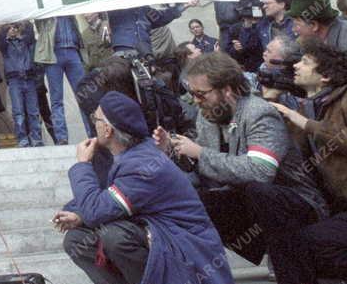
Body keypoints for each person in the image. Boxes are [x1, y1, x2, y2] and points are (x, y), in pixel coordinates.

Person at [156, 52, 326, 284]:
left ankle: (294, 275)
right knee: (196, 202)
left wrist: (199, 153)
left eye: (201, 94)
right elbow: (205, 167)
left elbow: (260, 171)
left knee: (259, 191)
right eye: (191, 93)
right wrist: (175, 152)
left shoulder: (259, 113)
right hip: (251, 201)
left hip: (296, 202)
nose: (195, 100)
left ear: (227, 90)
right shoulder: (208, 116)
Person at [56, 92, 231, 284]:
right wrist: (79, 215)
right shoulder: (131, 155)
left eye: (95, 119)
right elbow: (105, 201)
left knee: (116, 237)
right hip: (160, 233)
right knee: (77, 240)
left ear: (107, 130)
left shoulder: (141, 164)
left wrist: (82, 165)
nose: (93, 124)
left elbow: (96, 211)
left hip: (185, 245)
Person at [270, 41, 347, 284]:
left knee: (311, 242)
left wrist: (305, 123)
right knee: (299, 245)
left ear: (326, 76)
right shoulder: (313, 108)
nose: (296, 65)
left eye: (305, 62)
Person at [36, 16, 87, 144]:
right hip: (53, 54)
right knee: (56, 100)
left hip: (73, 51)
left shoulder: (67, 10)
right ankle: (61, 138)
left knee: (85, 96)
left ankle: (93, 132)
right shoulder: (45, 12)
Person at [0, 21, 44, 147]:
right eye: (11, 28)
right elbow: (1, 38)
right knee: (18, 112)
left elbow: (29, 29)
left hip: (29, 79)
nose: (13, 30)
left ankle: (36, 139)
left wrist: (20, 25)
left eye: (15, 27)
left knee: (33, 111)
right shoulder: (5, 45)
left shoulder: (26, 41)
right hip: (14, 81)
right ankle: (22, 140)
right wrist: (7, 28)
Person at [106, 1, 194, 59]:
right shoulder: (114, 5)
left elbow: (161, 17)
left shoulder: (144, 9)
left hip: (145, 53)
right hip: (123, 52)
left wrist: (185, 5)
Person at [223, 0, 263, 72]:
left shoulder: (264, 26)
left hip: (261, 67)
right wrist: (235, 49)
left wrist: (254, 25)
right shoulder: (235, 29)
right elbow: (228, 51)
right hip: (244, 69)